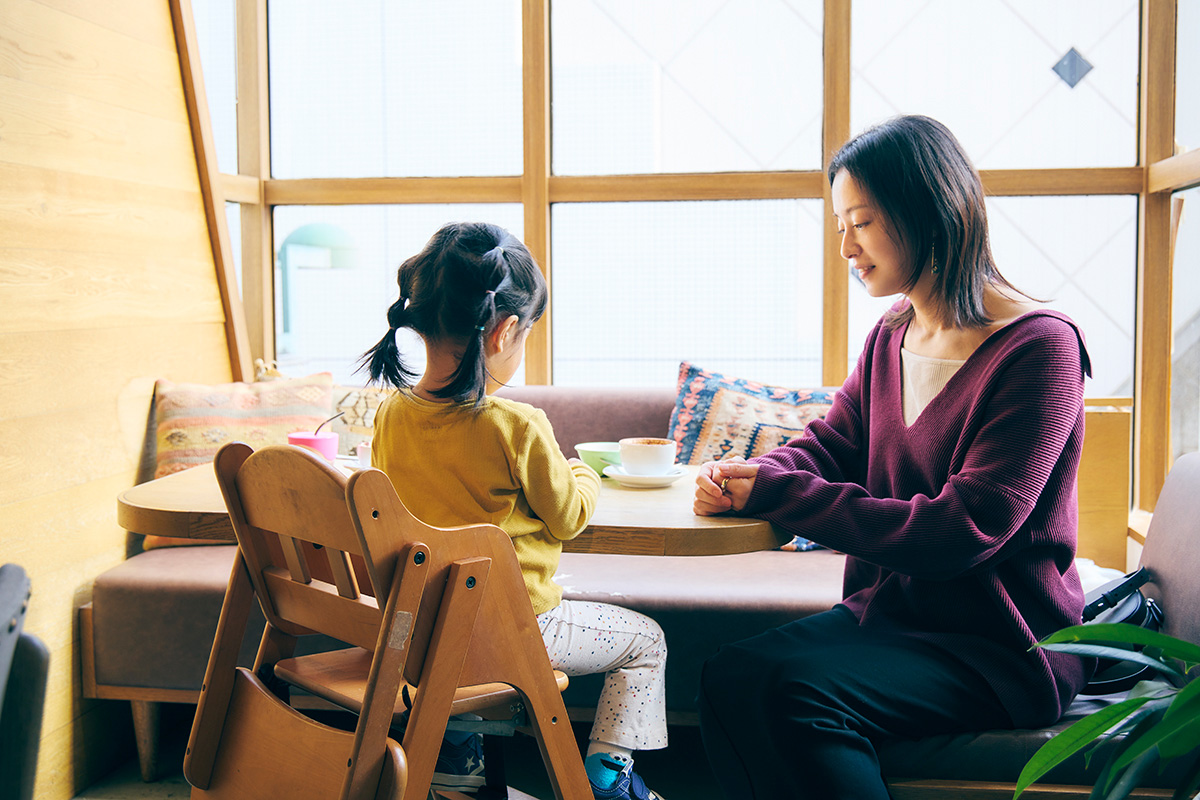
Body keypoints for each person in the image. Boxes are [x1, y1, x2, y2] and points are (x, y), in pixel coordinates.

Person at [692, 115, 1093, 799]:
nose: (845, 244)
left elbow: (961, 529)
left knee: (793, 694)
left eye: (863, 221)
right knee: (728, 675)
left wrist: (780, 499)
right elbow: (835, 444)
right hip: (896, 617)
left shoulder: (1040, 349)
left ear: (926, 211)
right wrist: (763, 475)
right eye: (841, 223)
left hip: (1000, 648)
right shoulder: (893, 334)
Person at [360, 222, 669, 800]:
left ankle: (455, 770)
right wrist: (584, 470)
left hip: (420, 631)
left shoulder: (390, 415)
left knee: (451, 642)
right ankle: (608, 781)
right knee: (645, 641)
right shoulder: (516, 424)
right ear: (505, 332)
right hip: (514, 629)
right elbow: (570, 516)